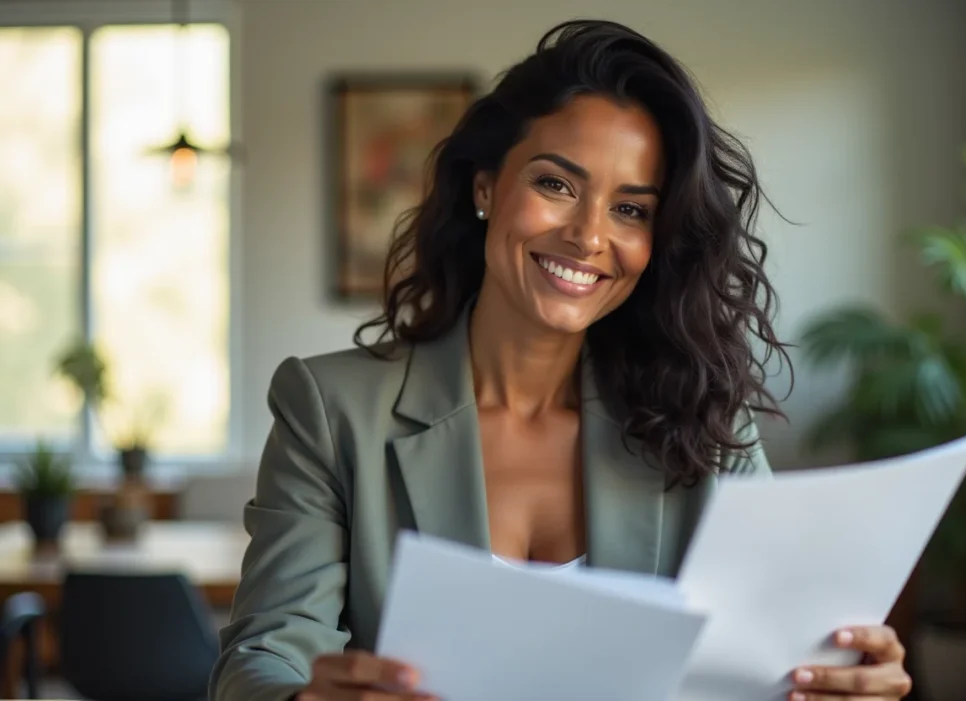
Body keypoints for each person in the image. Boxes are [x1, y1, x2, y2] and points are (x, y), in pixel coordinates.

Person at [210, 19, 913, 701]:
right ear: (486, 187)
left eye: (631, 210)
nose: (588, 236)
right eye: (557, 185)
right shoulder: (330, 408)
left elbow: (779, 657)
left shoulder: (705, 420)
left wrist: (844, 680)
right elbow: (262, 654)